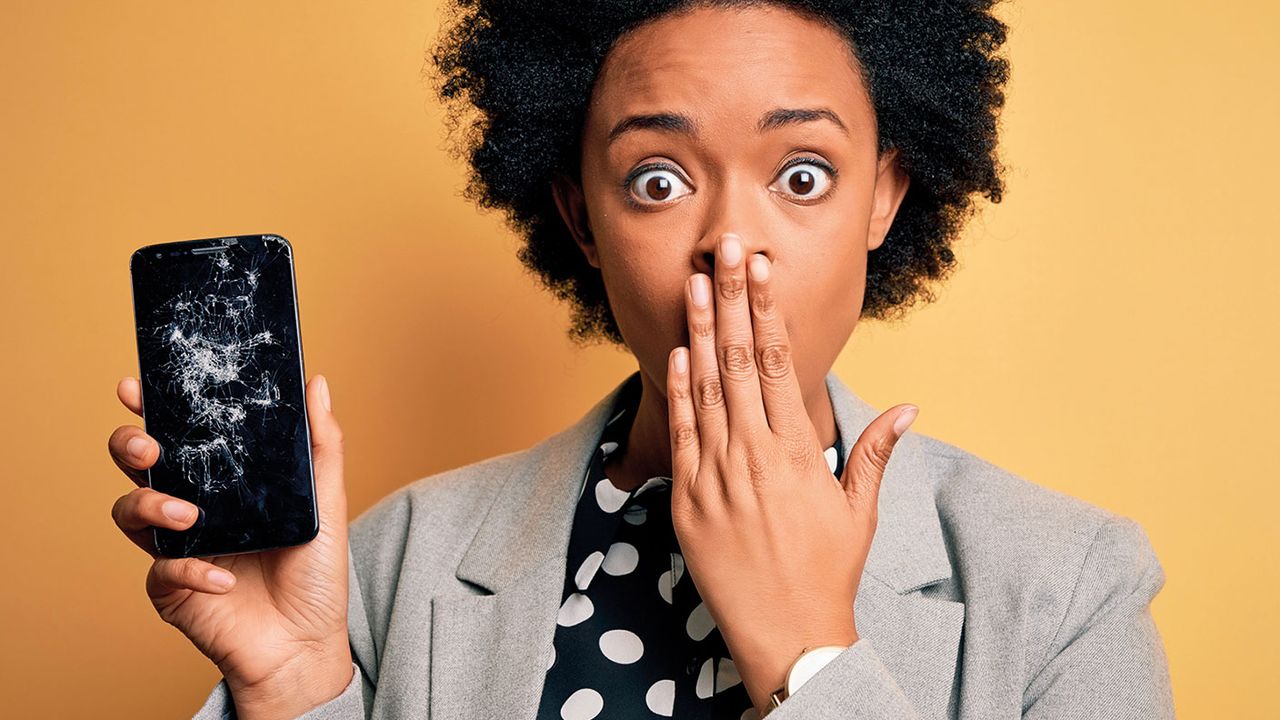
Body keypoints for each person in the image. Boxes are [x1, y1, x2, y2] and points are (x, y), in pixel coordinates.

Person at [107, 1, 1175, 718]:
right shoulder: (389, 569)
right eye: (656, 181)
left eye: (801, 175)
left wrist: (811, 655)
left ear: (883, 200)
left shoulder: (1068, 587)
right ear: (580, 218)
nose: (729, 244)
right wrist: (298, 689)